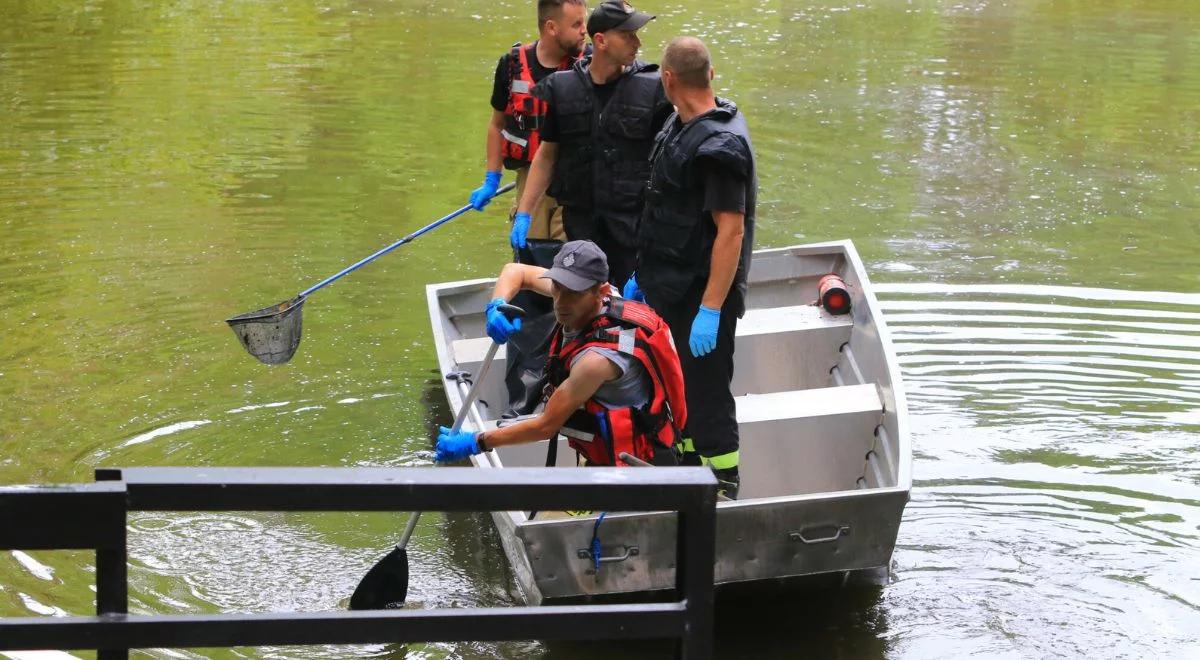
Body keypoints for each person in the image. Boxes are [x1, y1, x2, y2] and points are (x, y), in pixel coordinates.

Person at [623, 37, 757, 499]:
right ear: (711, 75)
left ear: (668, 79)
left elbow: (731, 232)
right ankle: (684, 478)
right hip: (667, 289)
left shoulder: (719, 144)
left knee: (705, 397)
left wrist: (712, 308)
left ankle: (722, 485)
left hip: (700, 296)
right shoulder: (679, 127)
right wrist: (644, 274)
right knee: (674, 393)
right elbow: (666, 211)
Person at [435, 241, 686, 468]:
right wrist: (496, 304)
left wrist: (476, 442)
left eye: (574, 292)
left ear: (601, 291)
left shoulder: (596, 362)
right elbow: (517, 271)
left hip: (639, 465)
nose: (561, 302)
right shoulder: (589, 295)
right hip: (606, 453)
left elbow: (546, 426)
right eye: (558, 287)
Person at [508, 0, 673, 288]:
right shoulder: (564, 88)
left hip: (633, 232)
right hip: (581, 232)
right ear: (601, 41)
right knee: (582, 311)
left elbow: (671, 163)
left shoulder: (654, 88)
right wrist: (524, 212)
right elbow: (547, 155)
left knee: (630, 320)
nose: (637, 42)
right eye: (628, 35)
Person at [466, 0, 589, 243]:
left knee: (569, 258)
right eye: (576, 24)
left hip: (576, 182)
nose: (584, 30)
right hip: (530, 178)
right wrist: (492, 179)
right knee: (532, 252)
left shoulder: (592, 63)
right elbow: (497, 124)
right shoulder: (511, 65)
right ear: (552, 27)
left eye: (584, 21)